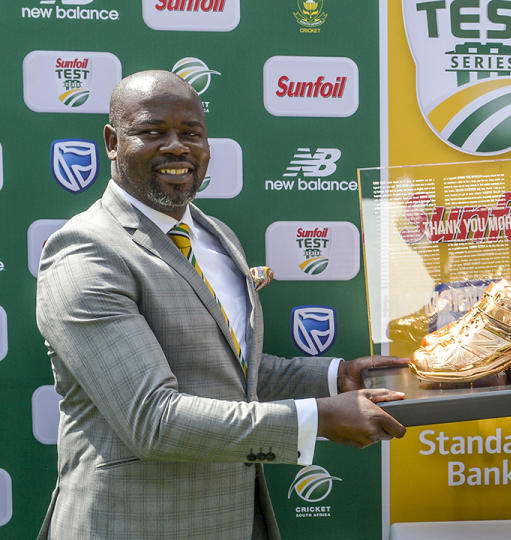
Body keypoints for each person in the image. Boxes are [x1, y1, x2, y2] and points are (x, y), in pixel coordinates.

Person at [35, 70, 407, 540]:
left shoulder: (216, 237)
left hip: (231, 521)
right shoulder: (86, 251)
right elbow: (153, 419)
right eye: (152, 132)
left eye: (191, 133)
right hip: (130, 525)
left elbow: (231, 374)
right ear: (112, 141)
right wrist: (319, 419)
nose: (176, 147)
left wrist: (335, 378)